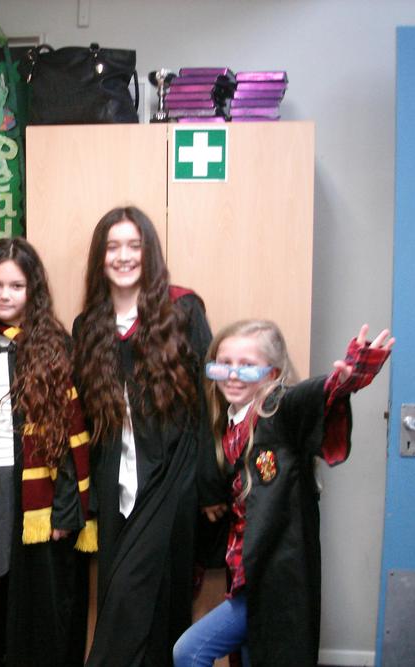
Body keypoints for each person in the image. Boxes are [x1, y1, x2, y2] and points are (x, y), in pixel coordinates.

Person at [173, 320, 393, 667]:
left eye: (247, 366)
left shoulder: (278, 410)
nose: (233, 375)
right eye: (224, 363)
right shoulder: (228, 422)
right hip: (246, 577)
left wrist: (347, 379)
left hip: (275, 581)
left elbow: (314, 395)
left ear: (272, 373)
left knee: (190, 650)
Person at [72, 206, 220, 666]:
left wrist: (209, 483)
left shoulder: (183, 310)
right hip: (115, 482)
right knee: (123, 592)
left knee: (147, 595)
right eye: (113, 247)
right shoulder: (88, 325)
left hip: (172, 474)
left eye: (134, 246)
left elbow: (208, 399)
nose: (123, 256)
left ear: (149, 251)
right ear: (100, 257)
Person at [0, 238, 95, 667]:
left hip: (34, 489)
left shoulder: (55, 348)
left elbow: (73, 435)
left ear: (33, 291)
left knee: (32, 592)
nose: (4, 295)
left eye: (16, 286)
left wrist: (65, 508)